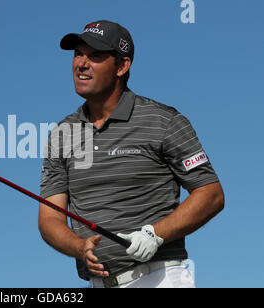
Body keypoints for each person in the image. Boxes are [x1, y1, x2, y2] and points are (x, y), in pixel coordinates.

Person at [38, 20, 224, 288]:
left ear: (122, 66)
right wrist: (78, 247)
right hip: (98, 283)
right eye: (78, 53)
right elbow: (50, 217)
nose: (81, 63)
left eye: (96, 56)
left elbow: (211, 194)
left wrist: (155, 234)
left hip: (159, 278)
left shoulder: (164, 120)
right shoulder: (61, 134)